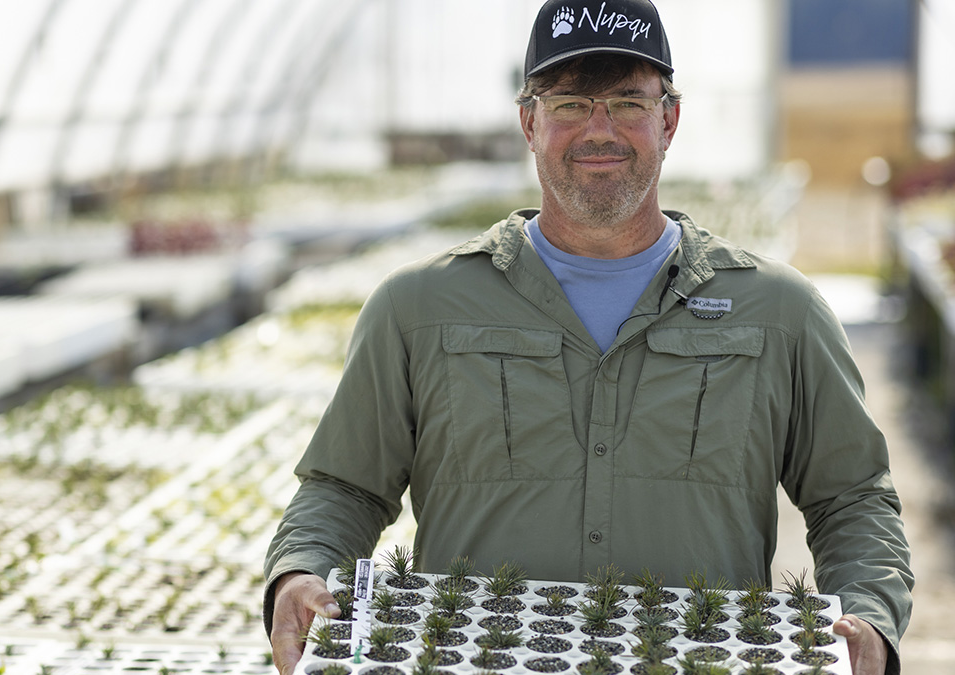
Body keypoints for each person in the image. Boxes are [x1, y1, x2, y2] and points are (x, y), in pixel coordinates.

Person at [263, 1, 913, 673]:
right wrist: (300, 570)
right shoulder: (417, 308)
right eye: (570, 102)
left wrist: (868, 611)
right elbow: (345, 487)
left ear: (670, 119)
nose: (599, 129)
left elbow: (853, 496)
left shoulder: (780, 312)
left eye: (628, 102)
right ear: (529, 121)